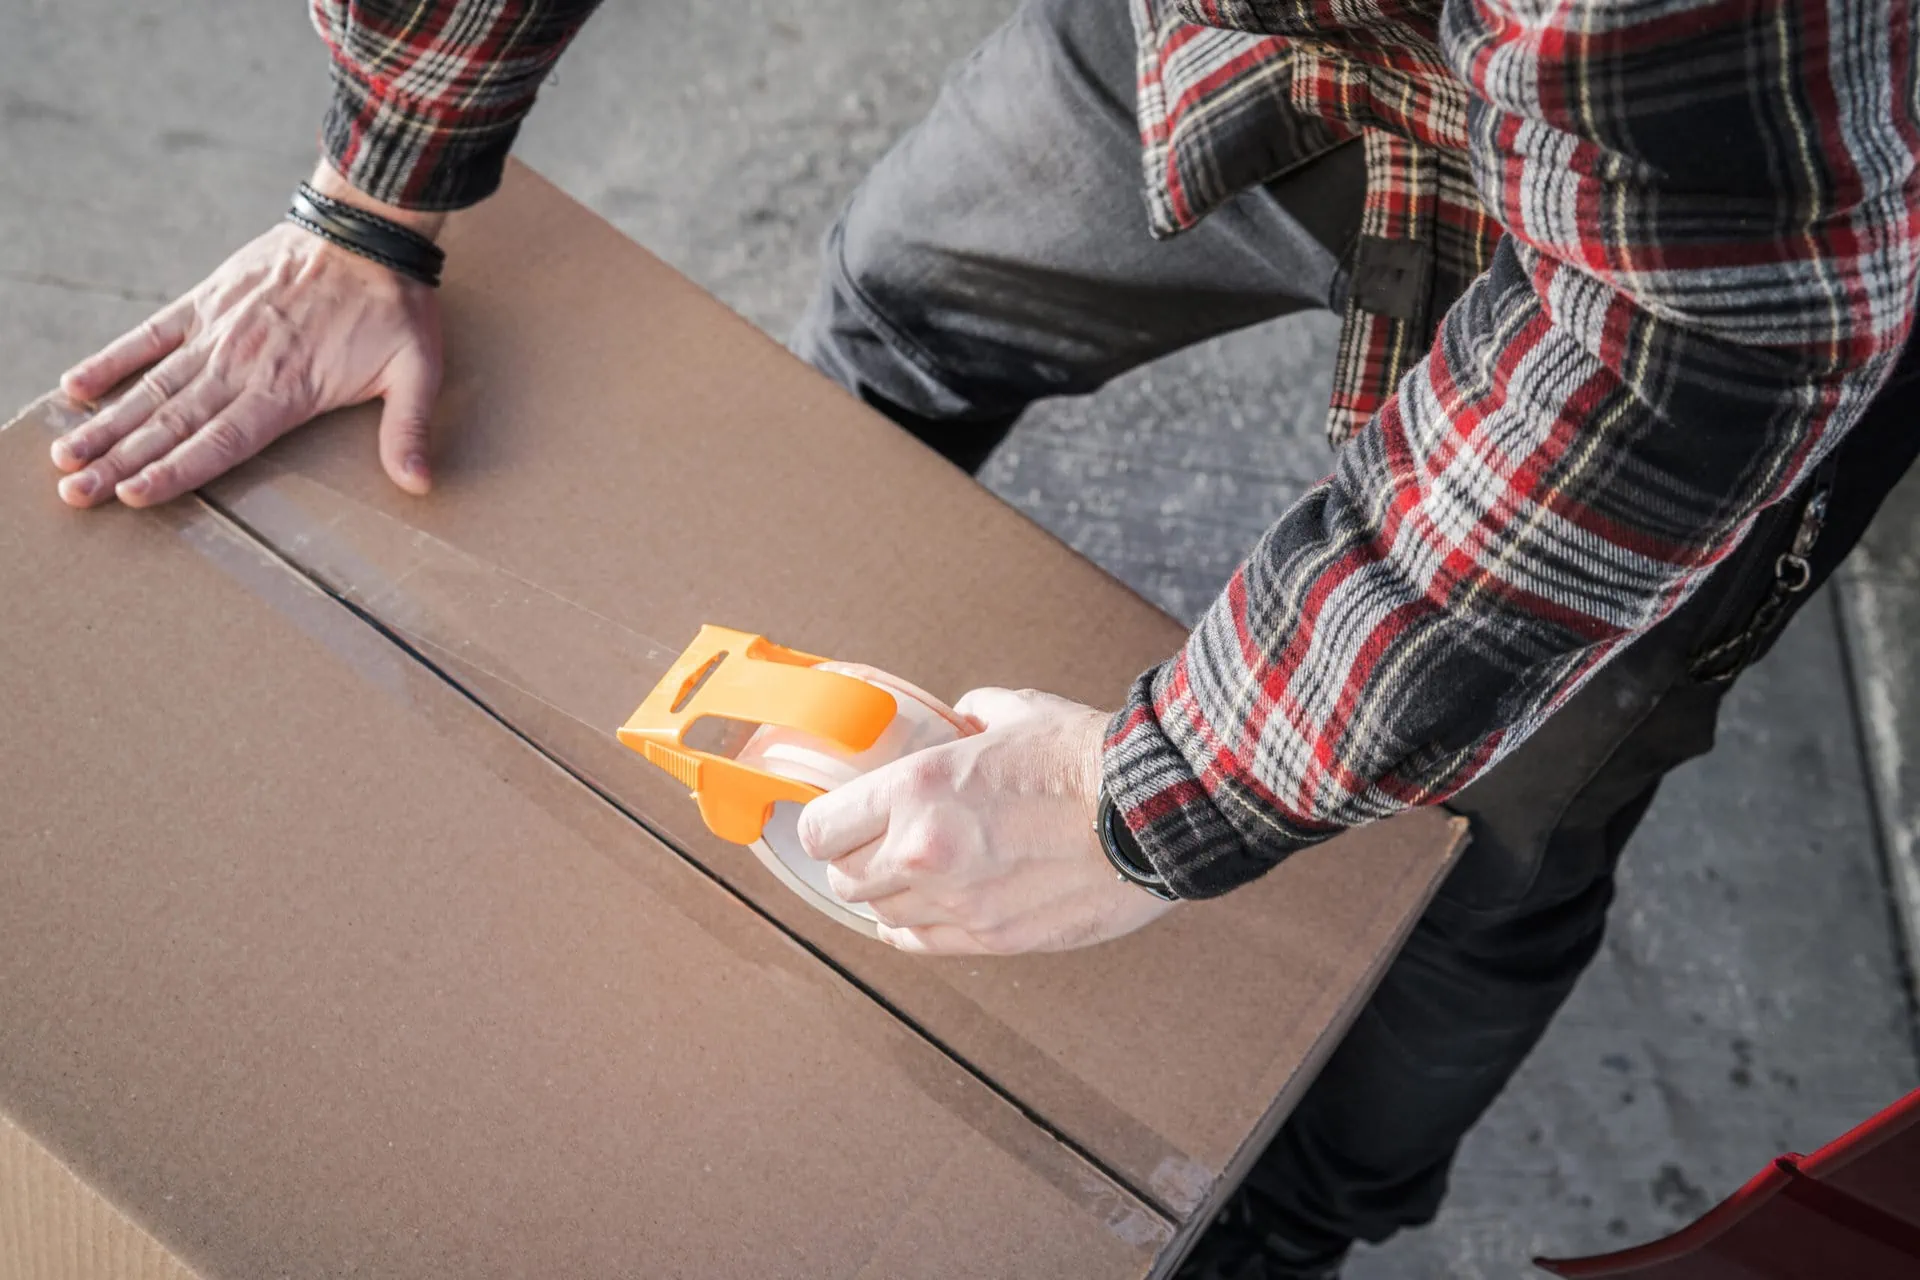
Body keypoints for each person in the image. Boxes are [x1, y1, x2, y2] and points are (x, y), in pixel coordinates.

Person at [46, 0, 1920, 1275]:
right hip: (1234, 43)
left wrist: (1160, 795)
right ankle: (817, 683)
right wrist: (378, 186)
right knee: (906, 295)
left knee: (1504, 810)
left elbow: (1695, 333)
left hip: (1743, 227)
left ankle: (1278, 1226)